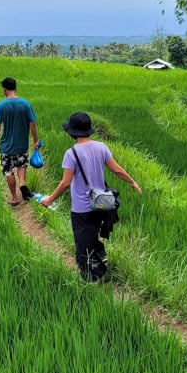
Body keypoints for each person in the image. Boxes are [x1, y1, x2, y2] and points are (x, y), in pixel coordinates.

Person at [40, 112, 142, 281]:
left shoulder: (71, 153)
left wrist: (50, 199)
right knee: (92, 237)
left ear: (72, 132)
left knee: (82, 246)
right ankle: (101, 267)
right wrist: (132, 182)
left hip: (82, 208)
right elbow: (116, 169)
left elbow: (66, 183)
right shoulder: (101, 147)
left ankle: (90, 280)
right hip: (101, 205)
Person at [0, 77, 39, 206]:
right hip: (22, 144)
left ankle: (14, 198)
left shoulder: (0, 106)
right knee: (21, 165)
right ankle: (22, 183)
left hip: (6, 146)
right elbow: (32, 125)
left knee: (8, 171)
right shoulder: (25, 104)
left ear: (4, 90)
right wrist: (36, 141)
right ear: (15, 88)